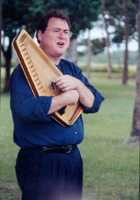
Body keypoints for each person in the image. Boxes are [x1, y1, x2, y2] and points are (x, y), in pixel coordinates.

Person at [10, 10, 104, 200]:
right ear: (40, 35)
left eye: (66, 32)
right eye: (56, 30)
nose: (63, 36)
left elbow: (93, 103)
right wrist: (65, 98)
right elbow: (25, 110)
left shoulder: (71, 69)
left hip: (72, 159)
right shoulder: (22, 73)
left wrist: (77, 85)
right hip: (41, 161)